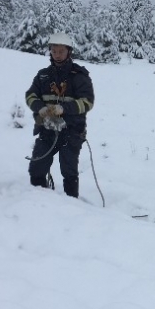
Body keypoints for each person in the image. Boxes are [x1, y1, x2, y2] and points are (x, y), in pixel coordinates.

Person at [25, 32, 94, 198]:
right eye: (54, 51)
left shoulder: (79, 76)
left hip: (72, 131)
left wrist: (64, 109)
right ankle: (39, 200)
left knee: (69, 171)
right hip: (47, 129)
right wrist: (40, 108)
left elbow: (87, 101)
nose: (57, 55)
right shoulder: (43, 75)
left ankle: (71, 203)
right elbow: (31, 96)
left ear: (69, 51)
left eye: (61, 51)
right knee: (37, 167)